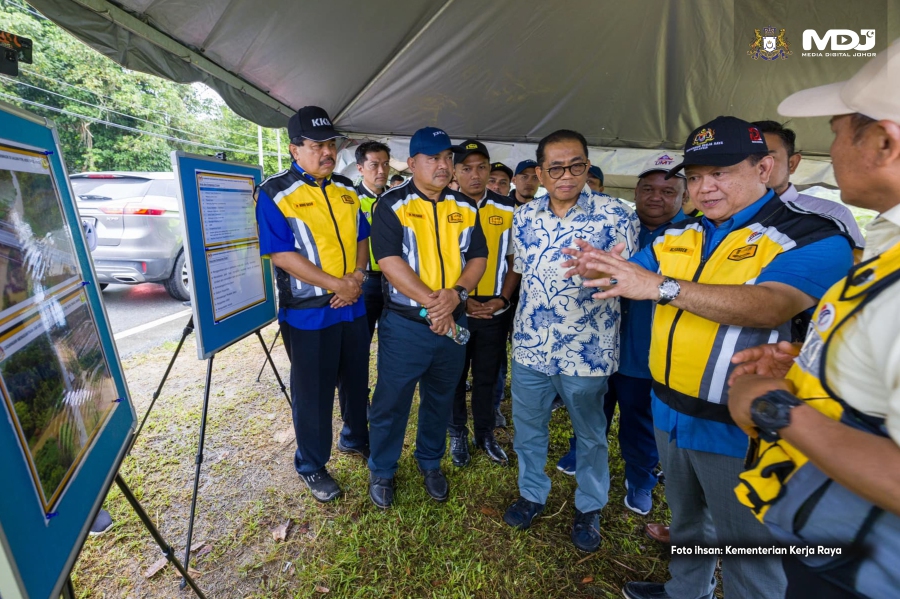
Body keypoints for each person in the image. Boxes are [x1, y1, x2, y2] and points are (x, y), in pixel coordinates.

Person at [568, 116, 854, 599]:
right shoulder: (680, 233)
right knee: (688, 524)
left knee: (749, 552)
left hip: (742, 428)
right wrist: (599, 266)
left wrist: (661, 286)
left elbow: (771, 304)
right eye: (696, 176)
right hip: (669, 412)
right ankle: (686, 592)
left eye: (720, 172)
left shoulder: (812, 235)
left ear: (765, 167)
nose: (705, 187)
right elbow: (624, 277)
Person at [729, 41, 900, 599]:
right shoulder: (887, 243)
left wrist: (775, 408)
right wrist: (814, 371)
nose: (829, 146)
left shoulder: (823, 229)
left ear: (884, 142)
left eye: (836, 129)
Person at [502, 129, 639, 553]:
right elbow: (522, 272)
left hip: (588, 347)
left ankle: (590, 505)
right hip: (530, 344)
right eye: (556, 167)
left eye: (576, 165)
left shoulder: (618, 214)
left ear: (587, 165)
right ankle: (532, 493)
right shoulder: (523, 217)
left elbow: (632, 279)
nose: (567, 175)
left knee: (591, 433)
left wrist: (601, 272)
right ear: (540, 173)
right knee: (528, 428)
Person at [559, 152, 687, 514]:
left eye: (667, 190)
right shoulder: (619, 224)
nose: (656, 197)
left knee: (638, 414)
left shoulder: (690, 234)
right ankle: (579, 451)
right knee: (591, 403)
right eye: (648, 189)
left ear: (683, 196)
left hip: (645, 347)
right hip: (600, 339)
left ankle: (641, 476)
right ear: (636, 191)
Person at [367, 127, 488, 509]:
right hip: (406, 325)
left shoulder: (466, 207)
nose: (443, 165)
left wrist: (457, 296)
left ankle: (430, 461)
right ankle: (382, 469)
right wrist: (437, 306)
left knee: (440, 396)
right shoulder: (390, 205)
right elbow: (389, 263)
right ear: (413, 163)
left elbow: (478, 259)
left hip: (453, 322)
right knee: (392, 400)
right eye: (433, 158)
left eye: (447, 158)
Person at [256, 106, 371, 503]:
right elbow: (281, 255)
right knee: (314, 392)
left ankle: (355, 438)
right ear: (294, 149)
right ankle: (312, 464)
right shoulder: (275, 192)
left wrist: (356, 278)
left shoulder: (347, 188)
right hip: (308, 314)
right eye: (317, 145)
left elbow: (361, 236)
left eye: (331, 144)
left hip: (352, 303)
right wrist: (336, 283)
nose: (327, 152)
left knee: (356, 381)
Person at [448, 141, 518, 468]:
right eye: (466, 168)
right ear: (454, 171)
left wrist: (502, 299)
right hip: (457, 311)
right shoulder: (443, 207)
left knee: (487, 375)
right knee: (454, 375)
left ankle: (485, 433)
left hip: (494, 310)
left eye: (481, 167)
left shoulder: (509, 209)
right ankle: (457, 432)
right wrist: (465, 299)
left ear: (490, 170)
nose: (474, 175)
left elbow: (515, 260)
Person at [752, 119, 865, 252]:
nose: (755, 167)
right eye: (744, 160)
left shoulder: (832, 215)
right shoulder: (725, 215)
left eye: (768, 158)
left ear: (792, 163)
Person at [355, 140, 392, 338]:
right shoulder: (350, 200)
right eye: (374, 165)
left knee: (392, 337)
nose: (381, 170)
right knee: (362, 337)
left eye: (386, 164)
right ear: (360, 168)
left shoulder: (397, 200)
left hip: (395, 279)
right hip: (365, 280)